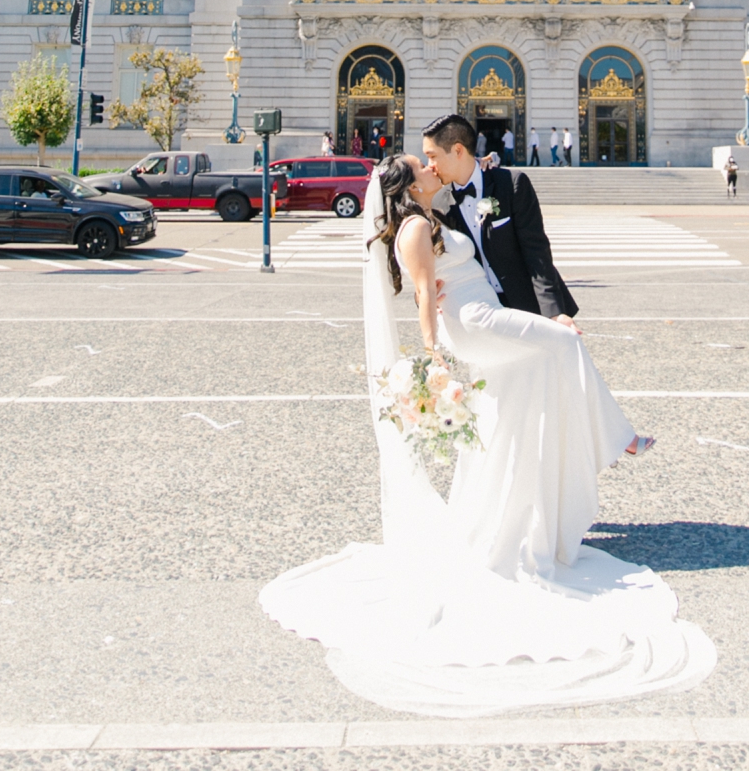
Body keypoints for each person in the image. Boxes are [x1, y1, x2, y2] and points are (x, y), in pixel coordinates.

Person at [259, 151, 715, 716]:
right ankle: (615, 437)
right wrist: (430, 359)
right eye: (421, 166)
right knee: (563, 343)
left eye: (432, 160)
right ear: (407, 184)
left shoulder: (431, 219)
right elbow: (425, 295)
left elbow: (447, 272)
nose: (432, 169)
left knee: (543, 370)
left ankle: (548, 475)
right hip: (473, 325)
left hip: (476, 315)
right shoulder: (417, 228)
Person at [423, 113, 578, 323]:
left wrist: (553, 312)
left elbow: (537, 252)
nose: (429, 165)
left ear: (458, 150)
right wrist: (427, 298)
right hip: (478, 313)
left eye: (433, 156)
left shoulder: (512, 184)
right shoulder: (440, 205)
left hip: (528, 306)